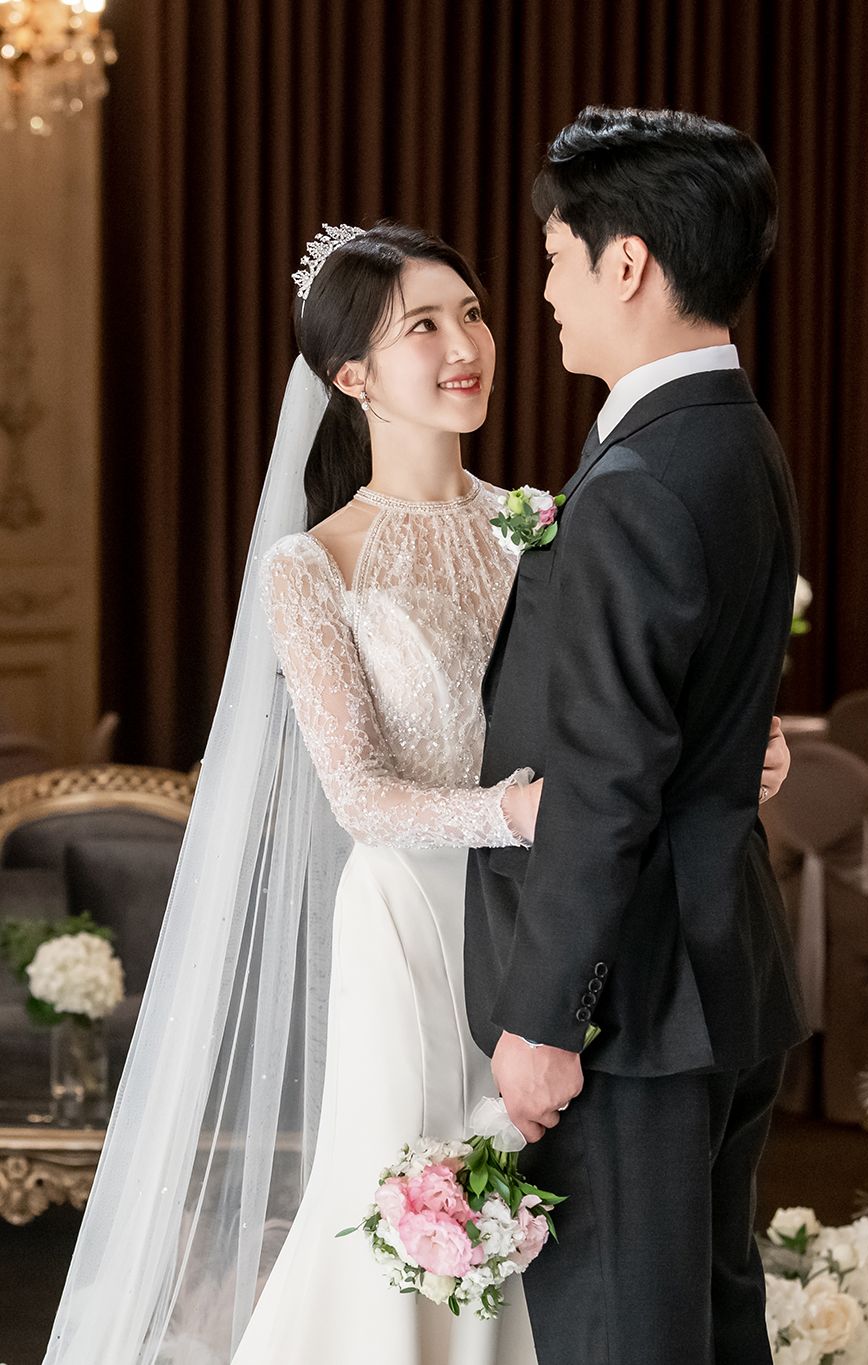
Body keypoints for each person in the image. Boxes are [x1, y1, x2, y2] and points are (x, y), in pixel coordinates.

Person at [43, 221, 791, 1365]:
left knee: (564, 1224)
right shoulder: (312, 565)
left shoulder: (544, 520)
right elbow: (359, 796)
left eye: (474, 313)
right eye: (424, 327)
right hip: (412, 927)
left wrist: (734, 755)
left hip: (551, 922)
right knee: (418, 1215)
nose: (466, 346)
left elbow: (629, 719)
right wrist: (519, 812)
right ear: (351, 377)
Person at [465, 107, 809, 1365]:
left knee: (625, 1340)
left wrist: (548, 1018)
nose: (544, 293)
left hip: (640, 1006)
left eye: (556, 257)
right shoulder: (735, 438)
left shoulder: (642, 476)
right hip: (717, 975)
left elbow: (605, 781)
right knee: (706, 1328)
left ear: (627, 264)